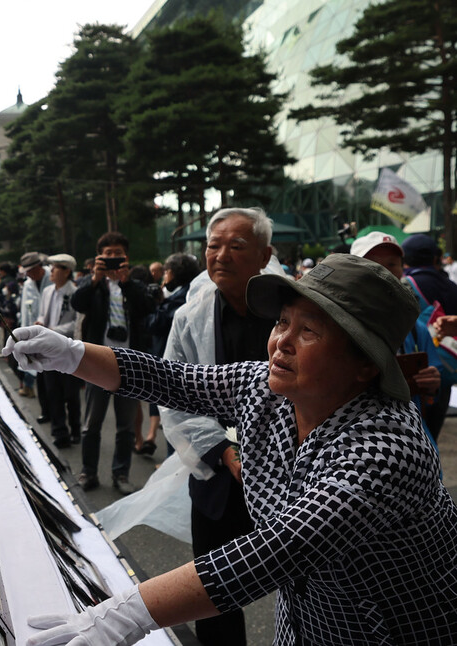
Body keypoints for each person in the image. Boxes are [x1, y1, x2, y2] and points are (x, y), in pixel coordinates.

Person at [5, 253, 457, 646]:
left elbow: (279, 550)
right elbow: (174, 380)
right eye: (282, 321)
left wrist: (128, 613)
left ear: (364, 363)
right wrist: (69, 354)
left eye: (309, 331)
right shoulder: (268, 389)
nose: (282, 341)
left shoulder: (387, 448)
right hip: (308, 622)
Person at [161, 207, 278, 645]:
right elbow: (174, 393)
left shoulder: (294, 309)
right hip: (220, 475)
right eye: (213, 245)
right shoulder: (188, 319)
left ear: (264, 256)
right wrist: (226, 453)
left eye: (237, 246)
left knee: (306, 583)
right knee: (212, 589)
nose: (221, 255)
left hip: (291, 469)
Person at [71, 232, 154, 494]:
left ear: (125, 256)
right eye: (106, 254)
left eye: (116, 253)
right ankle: (88, 472)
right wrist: (95, 280)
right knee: (91, 424)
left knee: (126, 426)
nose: (111, 258)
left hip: (130, 363)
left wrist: (127, 282)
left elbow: (148, 308)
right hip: (98, 361)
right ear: (99, 257)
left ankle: (121, 475)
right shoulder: (91, 284)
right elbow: (77, 303)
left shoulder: (135, 285)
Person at [350, 231, 441, 447]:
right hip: (354, 442)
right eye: (372, 263)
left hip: (411, 442)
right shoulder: (334, 324)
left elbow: (432, 392)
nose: (384, 272)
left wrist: (432, 384)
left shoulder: (416, 328)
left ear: (402, 269)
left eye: (392, 264)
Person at [143, 253, 201, 456]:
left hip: (174, 368)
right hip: (176, 365)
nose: (163, 278)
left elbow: (156, 324)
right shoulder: (187, 293)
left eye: (166, 272)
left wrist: (156, 304)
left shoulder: (182, 298)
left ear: (175, 274)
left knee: (176, 425)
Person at [401, 233, 457, 438]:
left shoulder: (404, 285)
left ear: (404, 259)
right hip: (448, 370)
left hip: (415, 376)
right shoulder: (451, 286)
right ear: (435, 259)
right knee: (432, 438)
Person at [36, 254, 82, 448]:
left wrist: (53, 331)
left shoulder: (75, 293)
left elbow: (76, 323)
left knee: (70, 393)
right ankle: (59, 432)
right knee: (52, 391)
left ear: (66, 271)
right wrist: (40, 323)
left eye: (55, 268)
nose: (51, 272)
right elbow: (42, 313)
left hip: (67, 349)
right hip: (47, 350)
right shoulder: (47, 291)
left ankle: (76, 428)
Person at [20, 252, 51, 402]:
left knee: (51, 369)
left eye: (30, 271)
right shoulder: (27, 284)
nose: (29, 275)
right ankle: (32, 390)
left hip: (52, 331)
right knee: (36, 365)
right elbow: (24, 310)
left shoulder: (52, 278)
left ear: (38, 267)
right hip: (33, 330)